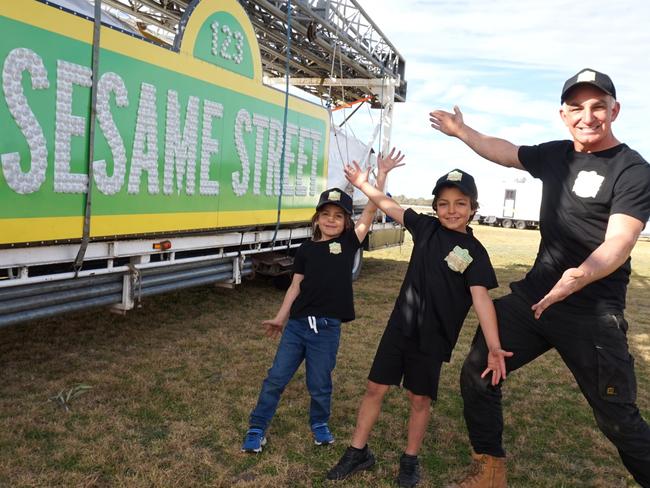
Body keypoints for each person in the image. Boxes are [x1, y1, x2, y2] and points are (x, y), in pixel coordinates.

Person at [429, 68, 650, 487]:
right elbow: (505, 151)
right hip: (534, 300)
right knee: (479, 372)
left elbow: (620, 240)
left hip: (591, 311)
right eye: (576, 108)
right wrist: (462, 131)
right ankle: (490, 469)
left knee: (618, 419)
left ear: (614, 110)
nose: (587, 116)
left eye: (598, 106)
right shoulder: (556, 155)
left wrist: (579, 276)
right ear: (563, 115)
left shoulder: (633, 170)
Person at [326, 162, 512, 487]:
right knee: (375, 388)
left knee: (419, 399)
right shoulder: (426, 228)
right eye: (443, 203)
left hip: (433, 337)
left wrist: (494, 345)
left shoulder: (475, 253)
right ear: (436, 206)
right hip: (400, 326)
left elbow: (481, 299)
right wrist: (362, 182)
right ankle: (358, 452)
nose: (451, 210)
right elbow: (389, 205)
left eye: (460, 203)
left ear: (473, 208)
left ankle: (410, 460)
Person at [240, 150, 404, 454]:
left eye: (338, 216)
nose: (331, 220)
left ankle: (319, 424)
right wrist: (280, 318)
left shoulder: (348, 243)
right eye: (325, 215)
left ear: (345, 222)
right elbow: (294, 288)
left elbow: (370, 210)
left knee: (319, 384)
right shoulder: (304, 250)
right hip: (297, 327)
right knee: (276, 379)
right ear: (317, 219)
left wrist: (381, 176)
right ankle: (257, 427)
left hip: (326, 331)